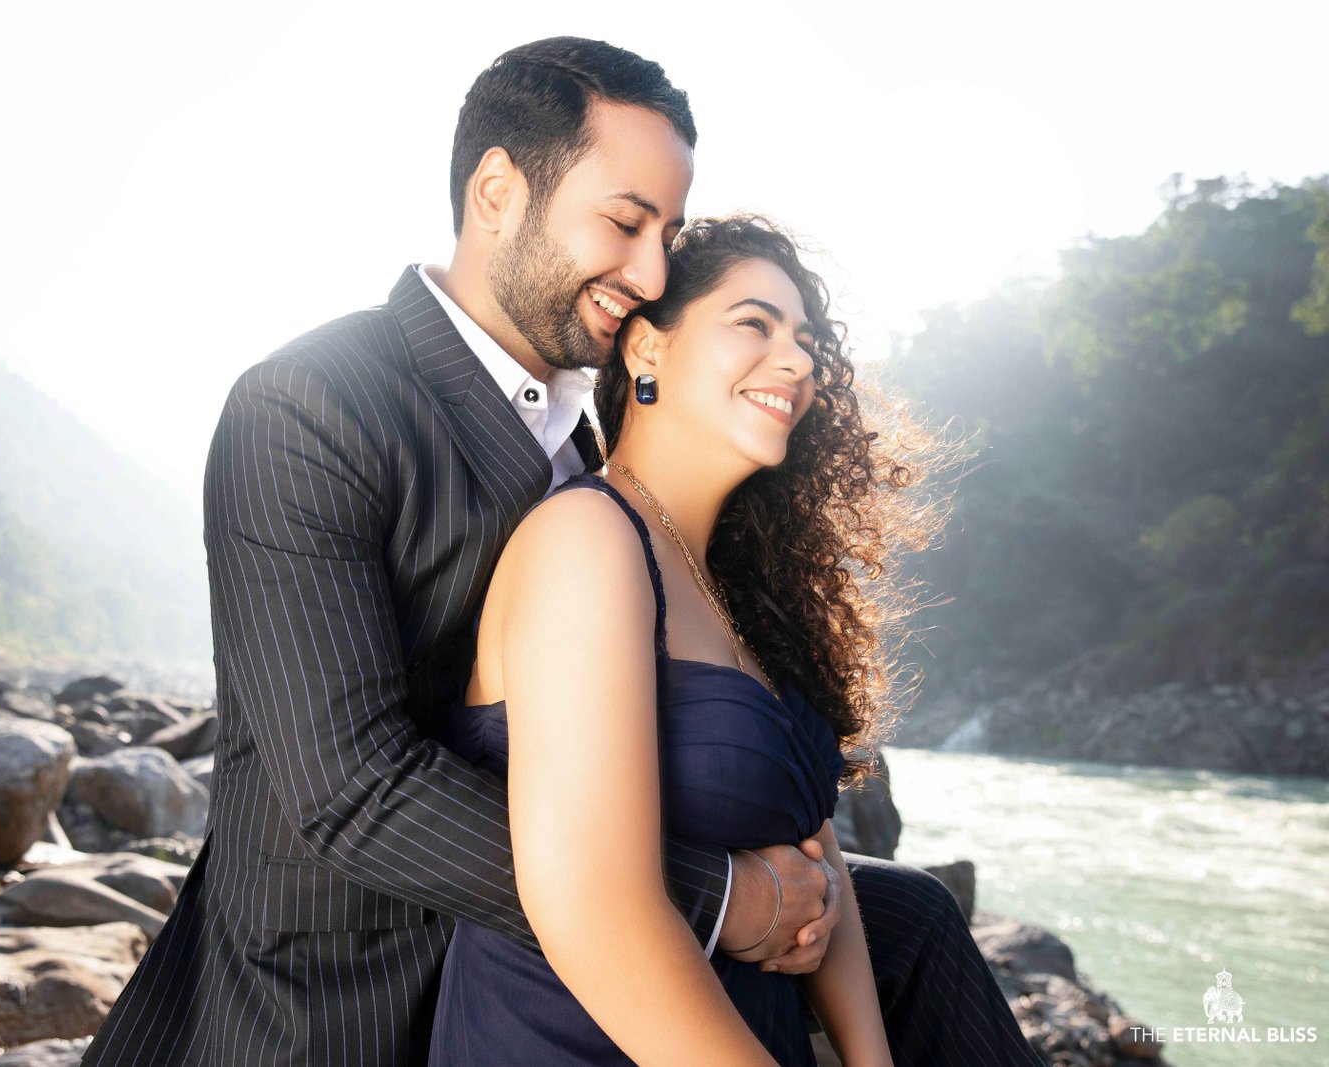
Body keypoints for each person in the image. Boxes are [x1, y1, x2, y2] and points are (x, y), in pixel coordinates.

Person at [83, 36, 1032, 1067]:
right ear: (498, 192)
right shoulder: (311, 404)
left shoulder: (597, 454)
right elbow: (350, 785)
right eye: (624, 223)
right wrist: (721, 895)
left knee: (915, 922)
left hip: (564, 931)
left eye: (668, 234)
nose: (652, 271)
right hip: (349, 981)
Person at [428, 213, 1041, 1066]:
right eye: (755, 323)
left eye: (807, 343)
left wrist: (870, 1059)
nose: (797, 362)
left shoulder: (744, 588)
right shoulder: (588, 538)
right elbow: (596, 906)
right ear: (646, 348)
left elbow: (817, 852)